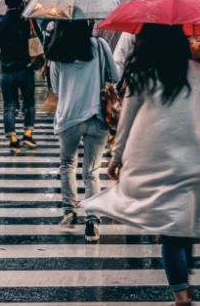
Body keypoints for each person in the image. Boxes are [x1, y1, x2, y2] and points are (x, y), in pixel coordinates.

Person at [81, 24, 200, 306]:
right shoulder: (199, 72)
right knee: (184, 221)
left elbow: (127, 121)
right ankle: (184, 273)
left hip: (157, 161)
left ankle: (181, 293)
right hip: (197, 158)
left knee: (170, 229)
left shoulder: (141, 75)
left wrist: (116, 158)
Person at [47, 20, 117, 242]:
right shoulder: (99, 45)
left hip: (68, 118)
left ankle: (69, 210)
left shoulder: (56, 50)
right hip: (96, 116)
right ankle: (92, 220)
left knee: (67, 164)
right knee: (92, 171)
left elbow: (57, 89)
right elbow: (114, 77)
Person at [0, 0, 38, 153]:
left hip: (6, 70)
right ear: (21, 3)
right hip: (26, 68)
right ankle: (28, 135)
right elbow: (39, 40)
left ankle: (13, 140)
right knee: (29, 103)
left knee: (9, 105)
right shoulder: (28, 21)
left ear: (7, 4)